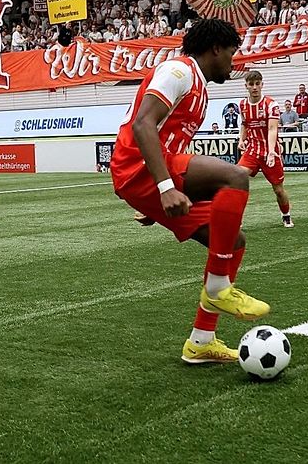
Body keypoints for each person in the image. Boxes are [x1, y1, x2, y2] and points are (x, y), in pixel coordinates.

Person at [109, 18, 269, 365]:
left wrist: (156, 197)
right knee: (236, 177)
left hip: (150, 176)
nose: (233, 61)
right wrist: (164, 187)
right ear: (215, 49)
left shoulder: (199, 86)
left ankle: (201, 342)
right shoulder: (179, 71)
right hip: (138, 168)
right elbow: (142, 124)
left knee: (231, 241)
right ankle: (218, 288)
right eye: (231, 52)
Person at [237, 70, 294, 228]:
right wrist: (241, 139)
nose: (254, 87)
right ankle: (236, 218)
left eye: (257, 84)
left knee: (278, 189)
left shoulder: (271, 104)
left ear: (262, 85)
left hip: (271, 151)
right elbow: (244, 124)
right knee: (236, 178)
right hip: (252, 151)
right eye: (251, 84)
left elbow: (272, 129)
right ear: (246, 86)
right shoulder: (242, 105)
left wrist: (270, 152)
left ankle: (286, 215)